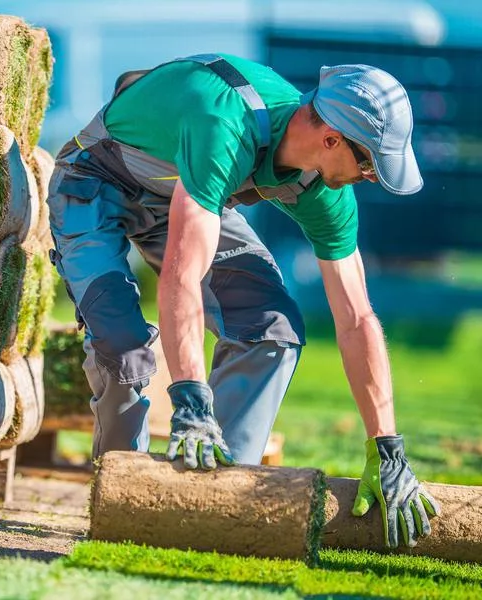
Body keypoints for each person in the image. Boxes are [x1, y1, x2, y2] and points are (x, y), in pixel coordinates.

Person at [46, 53, 440, 548]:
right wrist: (189, 397)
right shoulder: (224, 125)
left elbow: (357, 316)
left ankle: (208, 506)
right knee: (123, 349)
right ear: (331, 138)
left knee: (271, 329)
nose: (369, 177)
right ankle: (125, 508)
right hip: (94, 182)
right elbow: (182, 276)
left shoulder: (324, 190)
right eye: (368, 162)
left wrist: (387, 447)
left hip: (187, 196)